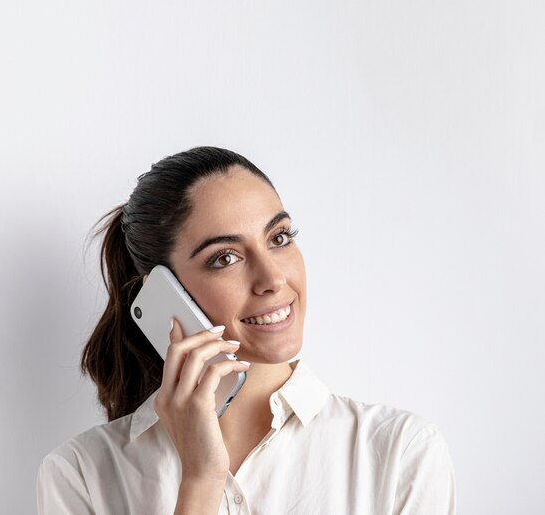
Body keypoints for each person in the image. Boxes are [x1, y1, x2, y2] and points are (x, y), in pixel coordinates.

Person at [36, 146, 457, 515]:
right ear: (164, 296)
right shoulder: (80, 476)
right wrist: (201, 480)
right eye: (225, 258)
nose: (272, 278)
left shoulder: (400, 453)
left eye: (279, 237)